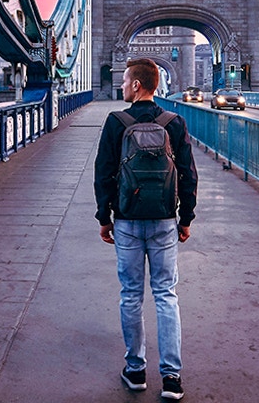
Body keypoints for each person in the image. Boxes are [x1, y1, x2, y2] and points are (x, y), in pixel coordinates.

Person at [95, 58, 198, 399]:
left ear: (137, 85)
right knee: (166, 295)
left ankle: (135, 370)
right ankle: (172, 378)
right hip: (165, 221)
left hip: (126, 221)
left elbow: (103, 174)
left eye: (125, 81)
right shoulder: (174, 122)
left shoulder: (115, 122)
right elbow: (188, 174)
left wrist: (104, 217)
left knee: (131, 295)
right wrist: (185, 219)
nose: (122, 86)